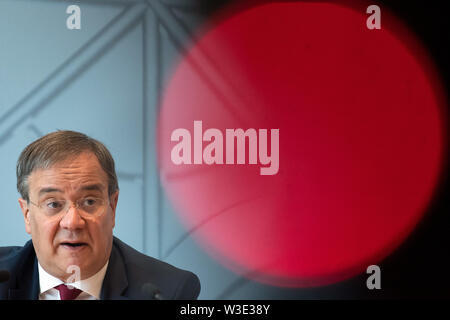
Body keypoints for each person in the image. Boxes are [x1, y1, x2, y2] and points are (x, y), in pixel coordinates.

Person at [0, 130, 200, 300]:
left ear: (112, 208)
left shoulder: (168, 289)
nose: (72, 222)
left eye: (89, 202)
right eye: (53, 204)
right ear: (27, 215)